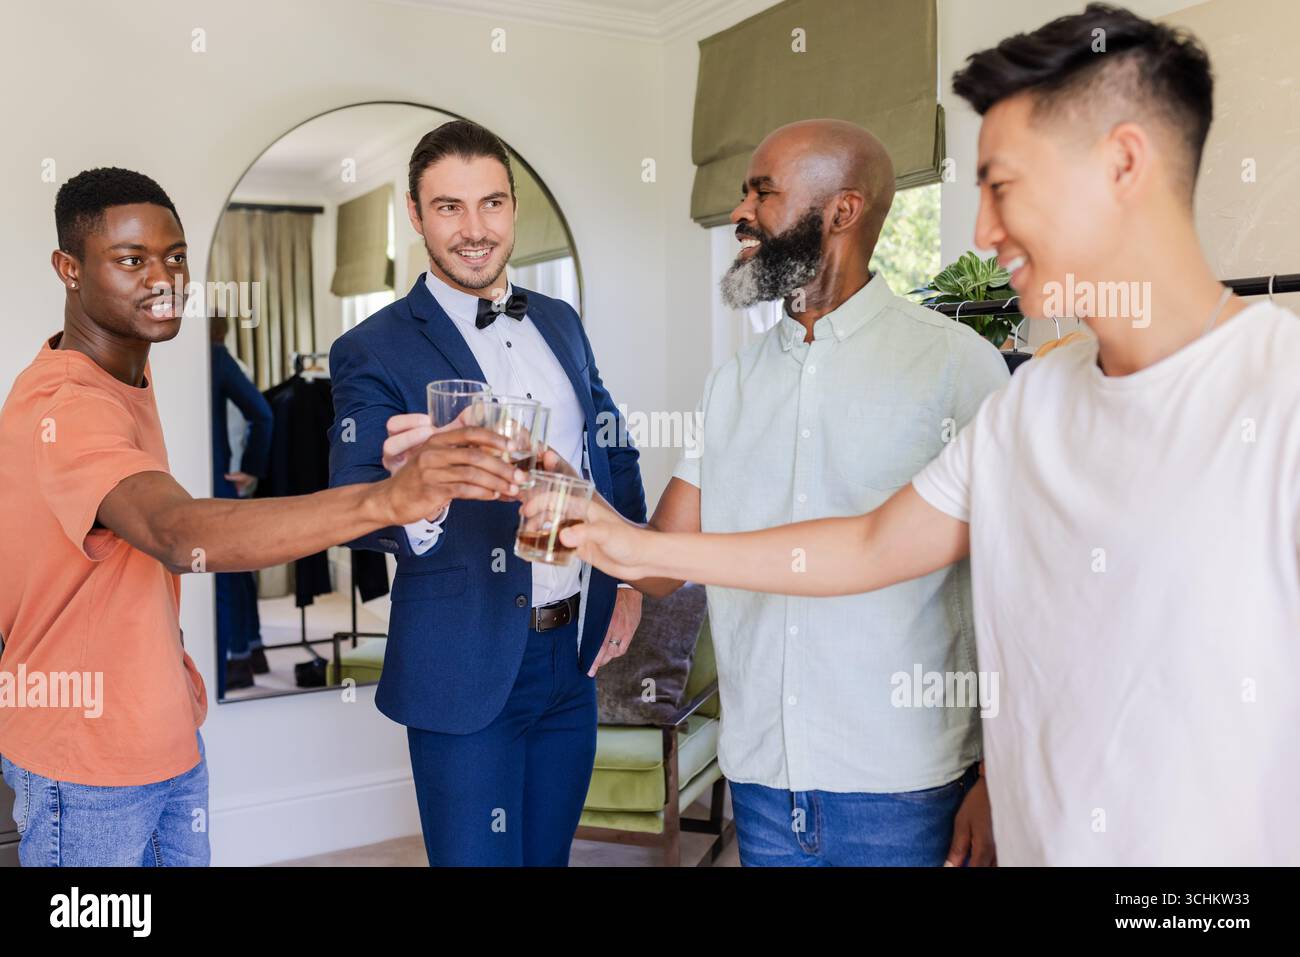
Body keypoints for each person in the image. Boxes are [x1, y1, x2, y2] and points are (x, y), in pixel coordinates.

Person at [558, 3, 1300, 866]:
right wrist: (601, 527)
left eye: (1005, 186)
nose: (981, 233)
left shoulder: (1279, 395)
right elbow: (867, 545)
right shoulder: (1035, 405)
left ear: (1123, 164)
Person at [0, 167, 517, 866]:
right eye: (131, 259)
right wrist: (388, 499)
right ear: (69, 269)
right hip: (87, 763)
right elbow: (177, 533)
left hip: (166, 736)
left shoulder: (124, 374)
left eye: (175, 256)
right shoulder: (66, 405)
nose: (164, 277)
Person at [638, 118, 1006, 865]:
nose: (739, 213)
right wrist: (552, 486)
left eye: (761, 193)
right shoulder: (729, 383)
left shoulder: (958, 368)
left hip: (909, 788)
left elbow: (1013, 590)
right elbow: (659, 563)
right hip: (765, 785)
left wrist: (997, 776)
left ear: (842, 211)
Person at [328, 120, 646, 866]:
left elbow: (613, 452)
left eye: (492, 204)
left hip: (572, 655)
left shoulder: (561, 321)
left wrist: (627, 576)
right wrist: (425, 492)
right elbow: (352, 504)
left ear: (513, 207)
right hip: (462, 666)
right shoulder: (371, 347)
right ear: (415, 214)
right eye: (449, 208)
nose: (475, 230)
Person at [209, 312, 273, 693]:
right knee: (238, 570)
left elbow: (261, 415)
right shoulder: (222, 360)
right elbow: (260, 415)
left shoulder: (212, 359)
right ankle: (251, 650)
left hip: (215, 479)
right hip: (225, 481)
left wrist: (250, 468)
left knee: (224, 577)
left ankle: (236, 658)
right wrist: (251, 469)